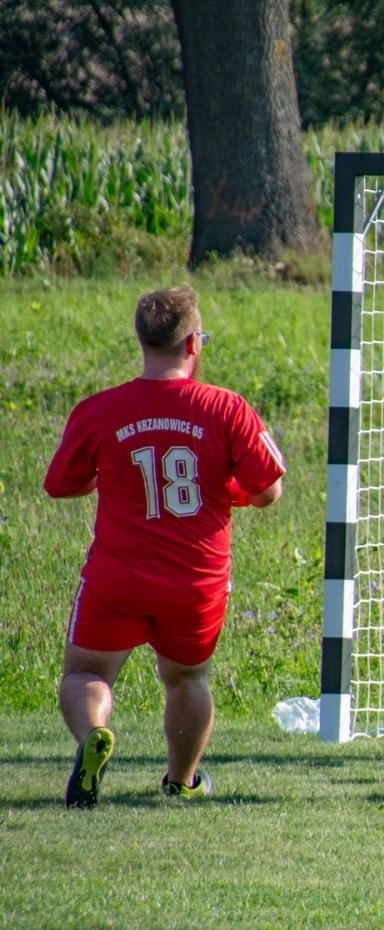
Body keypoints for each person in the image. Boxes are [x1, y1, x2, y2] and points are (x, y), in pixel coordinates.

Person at [44, 286, 285, 808]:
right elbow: (268, 490)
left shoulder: (99, 409)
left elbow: (59, 484)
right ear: (193, 343)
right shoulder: (228, 408)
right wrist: (227, 490)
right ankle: (181, 780)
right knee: (187, 679)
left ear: (142, 341)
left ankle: (93, 735)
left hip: (117, 577)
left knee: (87, 672)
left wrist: (111, 475)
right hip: (195, 580)